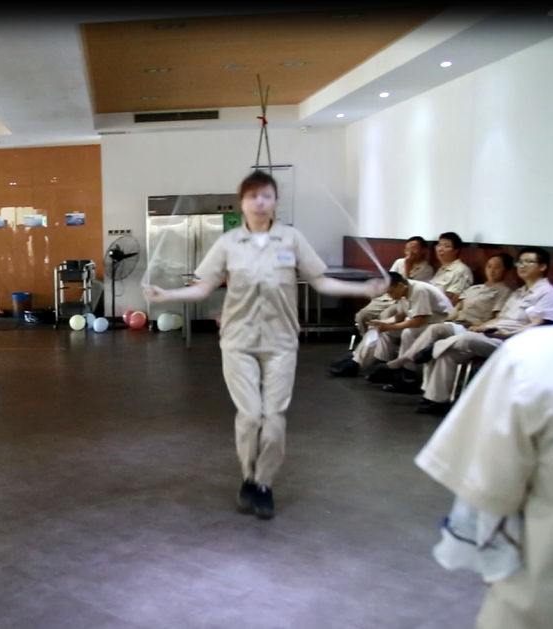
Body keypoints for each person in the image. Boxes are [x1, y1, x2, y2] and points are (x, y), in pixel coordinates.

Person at [143, 170, 387, 520]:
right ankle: (248, 476)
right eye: (252, 196)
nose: (259, 202)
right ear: (241, 202)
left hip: (281, 341)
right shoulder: (229, 243)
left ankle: (264, 483)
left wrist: (364, 289)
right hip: (238, 341)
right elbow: (203, 287)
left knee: (273, 419)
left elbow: (321, 282)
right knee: (250, 415)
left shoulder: (291, 239)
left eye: (266, 196)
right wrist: (166, 295)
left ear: (276, 202)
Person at [414, 155, 553, 629]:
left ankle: (416, 368)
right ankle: (416, 370)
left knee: (446, 339)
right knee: (437, 335)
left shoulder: (540, 365)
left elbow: (487, 502)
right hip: (489, 332)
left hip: (545, 607)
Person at [414, 246, 553, 415]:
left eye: (528, 262)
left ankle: (434, 347)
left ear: (543, 266)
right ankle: (436, 400)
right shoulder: (519, 292)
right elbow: (501, 318)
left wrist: (507, 334)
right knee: (449, 354)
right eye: (520, 262)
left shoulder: (547, 294)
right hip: (495, 335)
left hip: (513, 342)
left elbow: (539, 325)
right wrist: (483, 326)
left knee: (466, 339)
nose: (522, 266)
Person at [375, 253, 514, 393]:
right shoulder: (474, 289)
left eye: (497, 267)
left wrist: (479, 327)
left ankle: (401, 362)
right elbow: (457, 308)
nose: (492, 270)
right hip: (456, 323)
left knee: (435, 330)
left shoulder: (504, 292)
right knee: (410, 333)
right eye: (489, 266)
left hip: (473, 327)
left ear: (506, 270)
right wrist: (449, 319)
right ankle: (407, 376)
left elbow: (497, 318)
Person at [329, 272, 453, 378]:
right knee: (379, 330)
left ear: (400, 286)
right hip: (425, 323)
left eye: (391, 292)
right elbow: (400, 316)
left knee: (405, 332)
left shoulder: (419, 291)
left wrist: (388, 327)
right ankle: (379, 365)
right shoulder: (404, 291)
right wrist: (383, 323)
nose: (390, 296)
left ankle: (406, 373)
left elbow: (417, 321)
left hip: (440, 324)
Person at [353, 236, 434, 336]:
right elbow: (390, 281)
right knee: (362, 315)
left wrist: (407, 266)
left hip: (403, 301)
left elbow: (408, 287)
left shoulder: (427, 269)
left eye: (413, 248)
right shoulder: (399, 262)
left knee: (385, 315)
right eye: (407, 249)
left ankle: (384, 341)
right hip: (388, 298)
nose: (409, 252)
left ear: (424, 250)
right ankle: (367, 339)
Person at [430, 232, 474, 305]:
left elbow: (453, 300)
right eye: (439, 245)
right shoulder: (442, 269)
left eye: (446, 246)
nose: (440, 249)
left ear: (456, 251)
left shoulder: (461, 270)